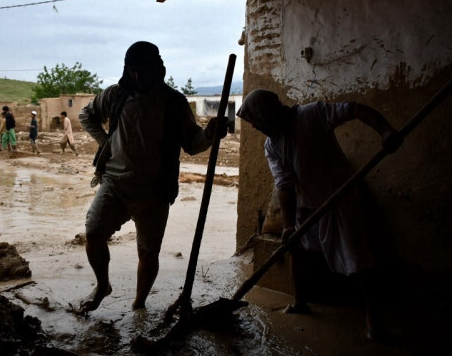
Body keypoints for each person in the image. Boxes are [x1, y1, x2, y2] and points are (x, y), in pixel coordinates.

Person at [237, 89, 402, 340]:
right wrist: (288, 226)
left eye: (255, 119)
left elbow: (355, 109)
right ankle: (300, 301)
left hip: (340, 197)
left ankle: (372, 321)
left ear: (266, 113)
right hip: (306, 204)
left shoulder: (311, 114)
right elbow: (284, 184)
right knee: (296, 250)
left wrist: (386, 130)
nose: (254, 126)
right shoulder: (272, 144)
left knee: (358, 258)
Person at [77, 41, 227, 313]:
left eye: (143, 70)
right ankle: (102, 286)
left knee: (148, 253)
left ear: (158, 68)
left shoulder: (174, 102)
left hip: (155, 190)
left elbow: (192, 144)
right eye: (132, 70)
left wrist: (209, 134)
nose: (137, 76)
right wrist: (105, 142)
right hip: (115, 184)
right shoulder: (115, 96)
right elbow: (86, 115)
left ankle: (139, 305)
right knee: (93, 233)